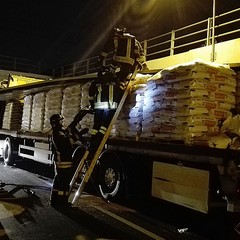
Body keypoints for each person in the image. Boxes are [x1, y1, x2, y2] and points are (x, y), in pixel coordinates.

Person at [49, 110, 89, 207]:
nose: (62, 122)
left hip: (61, 161)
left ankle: (54, 201)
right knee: (64, 184)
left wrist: (79, 116)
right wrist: (79, 135)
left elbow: (70, 128)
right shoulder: (58, 134)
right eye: (61, 121)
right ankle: (62, 203)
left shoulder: (59, 132)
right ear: (57, 122)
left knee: (58, 182)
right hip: (63, 162)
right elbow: (67, 143)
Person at [87, 66, 120, 161]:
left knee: (96, 126)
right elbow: (119, 91)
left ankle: (93, 141)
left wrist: (92, 105)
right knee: (104, 126)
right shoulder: (114, 80)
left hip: (98, 107)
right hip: (110, 107)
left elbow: (90, 94)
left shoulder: (97, 81)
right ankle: (98, 140)